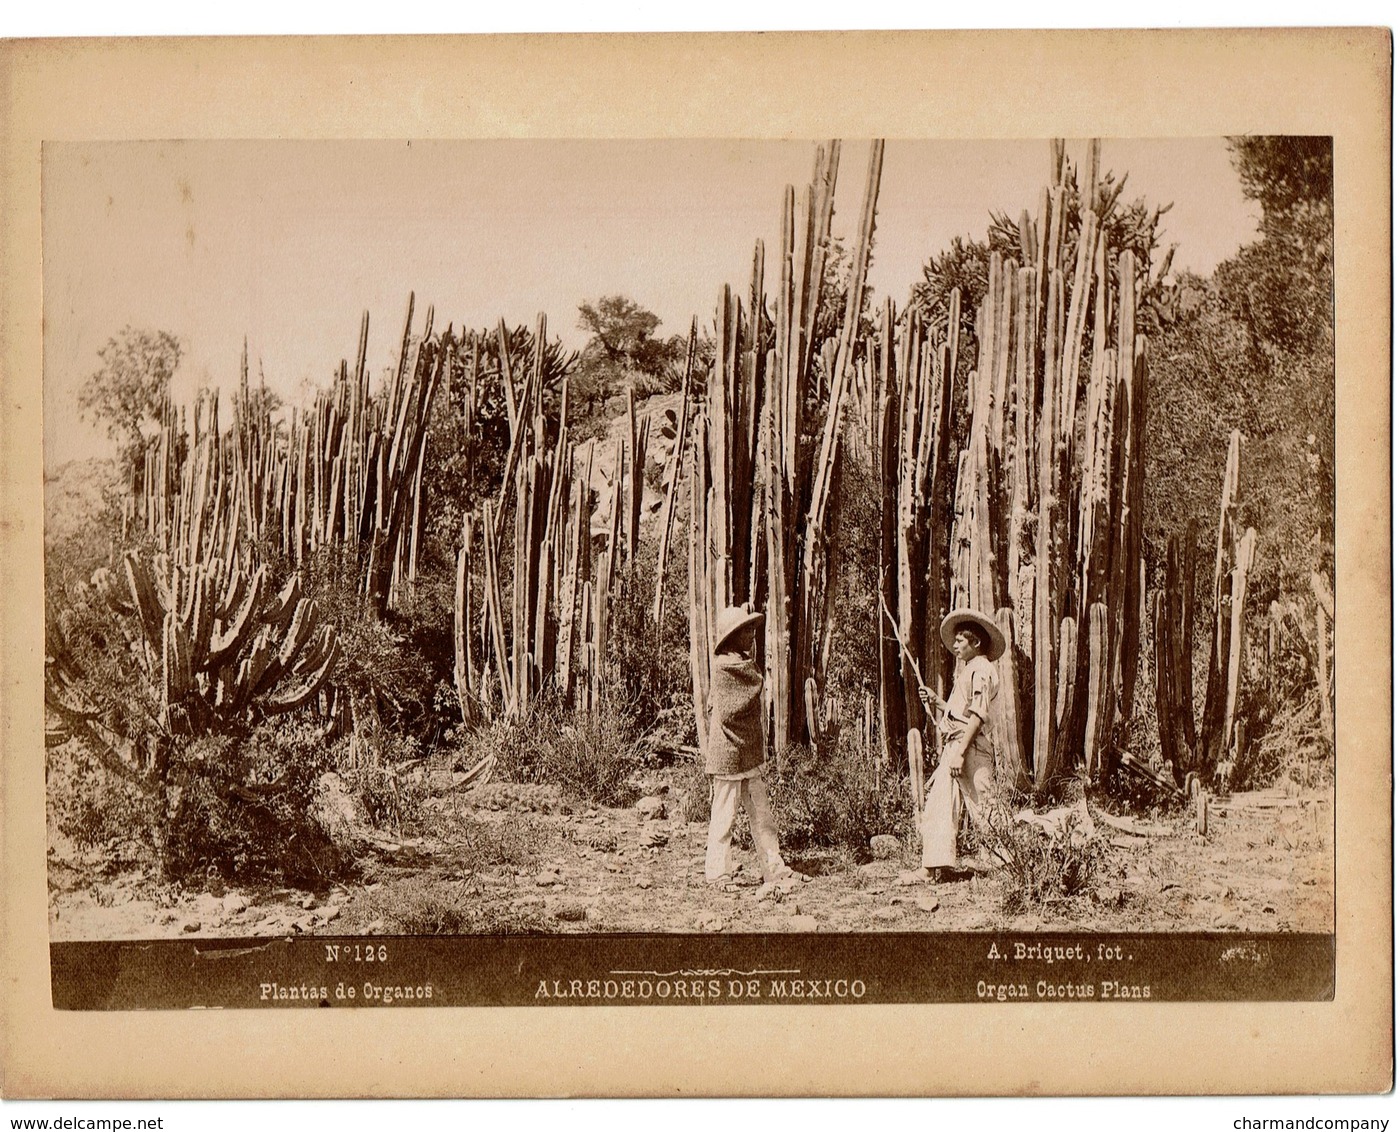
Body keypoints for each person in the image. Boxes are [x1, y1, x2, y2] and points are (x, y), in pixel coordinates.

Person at [900, 607, 1005, 885]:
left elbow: (978, 715)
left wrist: (959, 753)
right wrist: (939, 702)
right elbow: (963, 712)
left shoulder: (982, 669)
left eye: (961, 640)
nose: (955, 644)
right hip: (959, 745)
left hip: (968, 747)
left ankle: (1007, 865)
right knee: (939, 803)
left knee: (985, 805)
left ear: (976, 643)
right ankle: (932, 867)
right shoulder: (971, 670)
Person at [704, 602, 794, 885]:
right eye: (746, 631)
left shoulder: (740, 665)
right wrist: (756, 677)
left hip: (747, 754)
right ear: (733, 636)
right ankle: (718, 873)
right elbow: (738, 701)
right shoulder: (726, 669)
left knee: (762, 816)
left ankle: (774, 867)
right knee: (724, 817)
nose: (752, 635)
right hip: (729, 754)